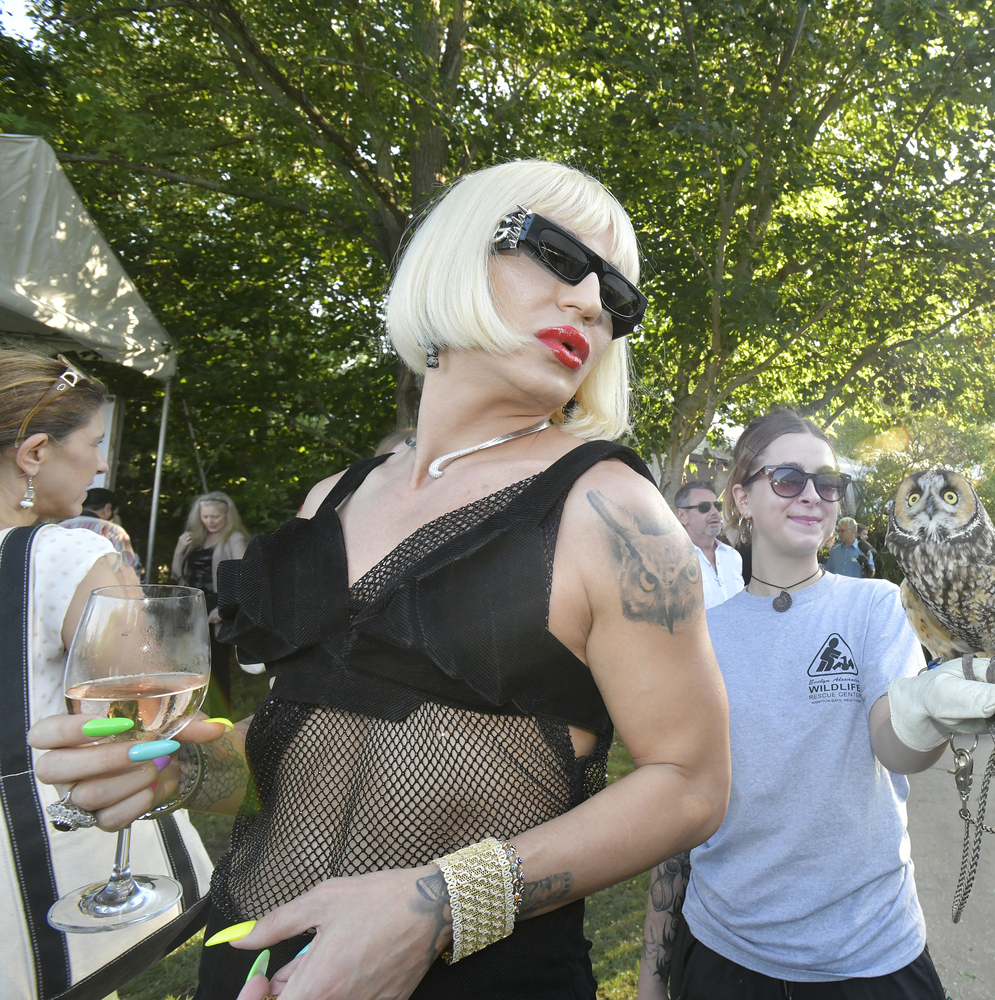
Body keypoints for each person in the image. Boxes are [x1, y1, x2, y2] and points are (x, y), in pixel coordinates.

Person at [30, 159, 732, 1000]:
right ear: (454, 249)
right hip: (250, 963)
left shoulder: (614, 509)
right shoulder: (335, 497)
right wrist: (173, 772)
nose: (588, 302)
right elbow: (295, 750)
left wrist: (440, 903)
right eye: (555, 255)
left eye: (615, 299)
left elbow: (691, 785)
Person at [637, 407, 995, 999]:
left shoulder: (876, 605)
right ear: (742, 497)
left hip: (869, 955)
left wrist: (926, 709)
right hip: (723, 955)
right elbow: (680, 812)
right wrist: (651, 980)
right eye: (788, 479)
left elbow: (894, 744)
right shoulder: (700, 636)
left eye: (828, 483)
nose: (813, 496)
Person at [0, 350, 213, 1000]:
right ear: (35, 454)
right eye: (94, 443)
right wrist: (195, 767)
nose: (99, 465)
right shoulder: (67, 553)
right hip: (39, 864)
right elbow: (145, 712)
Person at [170, 492, 250, 717]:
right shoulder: (193, 539)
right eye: (205, 517)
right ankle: (190, 714)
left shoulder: (234, 539)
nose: (210, 522)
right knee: (188, 662)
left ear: (227, 516)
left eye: (215, 517)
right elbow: (178, 574)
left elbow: (243, 576)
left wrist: (226, 608)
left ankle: (220, 717)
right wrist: (179, 548)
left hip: (217, 606)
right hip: (192, 605)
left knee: (215, 666)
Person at [674, 479, 743, 609]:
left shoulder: (733, 556)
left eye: (717, 506)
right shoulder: (673, 562)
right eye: (704, 507)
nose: (714, 512)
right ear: (682, 516)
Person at [59, 486, 142, 575]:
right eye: (114, 514)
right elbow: (127, 569)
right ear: (107, 508)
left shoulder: (60, 527)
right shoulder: (114, 531)